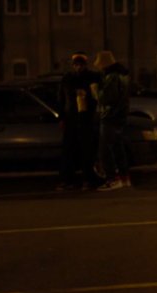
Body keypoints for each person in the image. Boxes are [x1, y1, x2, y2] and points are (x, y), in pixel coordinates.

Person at [56, 52, 103, 191]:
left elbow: (98, 96)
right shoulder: (67, 79)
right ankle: (67, 180)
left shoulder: (93, 77)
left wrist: (88, 97)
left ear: (85, 65)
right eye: (76, 65)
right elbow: (61, 99)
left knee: (87, 151)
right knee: (68, 151)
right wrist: (61, 118)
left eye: (80, 64)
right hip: (71, 119)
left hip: (87, 119)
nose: (78, 67)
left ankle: (88, 179)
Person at [93, 50, 132, 191]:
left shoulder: (111, 77)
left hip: (110, 116)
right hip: (120, 116)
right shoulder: (123, 76)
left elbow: (106, 98)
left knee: (105, 150)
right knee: (117, 148)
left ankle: (112, 179)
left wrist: (95, 90)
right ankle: (124, 178)